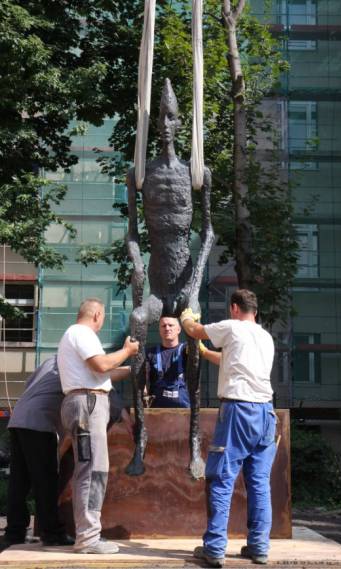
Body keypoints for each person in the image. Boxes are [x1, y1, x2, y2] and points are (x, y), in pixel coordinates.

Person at [126, 78, 214, 478]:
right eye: (160, 117)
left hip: (183, 285)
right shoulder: (139, 175)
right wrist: (137, 266)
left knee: (193, 335)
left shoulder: (196, 174)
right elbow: (132, 234)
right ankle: (140, 439)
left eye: (172, 118)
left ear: (181, 125)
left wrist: (194, 286)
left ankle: (195, 438)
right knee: (135, 321)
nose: (165, 123)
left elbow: (209, 233)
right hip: (159, 287)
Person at [180, 289, 276, 568]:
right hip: (265, 413)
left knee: (221, 478)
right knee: (259, 484)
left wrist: (187, 318)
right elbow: (233, 361)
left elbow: (195, 329)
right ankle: (259, 548)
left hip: (239, 412)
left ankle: (215, 548)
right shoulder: (265, 337)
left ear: (235, 308)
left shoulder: (231, 327)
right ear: (254, 311)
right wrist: (207, 352)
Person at [57, 298, 139, 555]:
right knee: (93, 472)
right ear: (96, 315)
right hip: (88, 404)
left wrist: (129, 367)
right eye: (103, 317)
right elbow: (102, 365)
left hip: (83, 402)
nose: (102, 323)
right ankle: (88, 538)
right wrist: (127, 351)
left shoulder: (72, 336)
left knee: (90, 470)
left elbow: (102, 373)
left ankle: (87, 535)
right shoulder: (82, 333)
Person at [4, 356, 74, 547]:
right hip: (38, 423)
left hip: (18, 419)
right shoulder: (76, 362)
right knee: (46, 482)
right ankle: (52, 533)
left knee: (19, 480)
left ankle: (14, 533)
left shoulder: (51, 361)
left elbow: (29, 383)